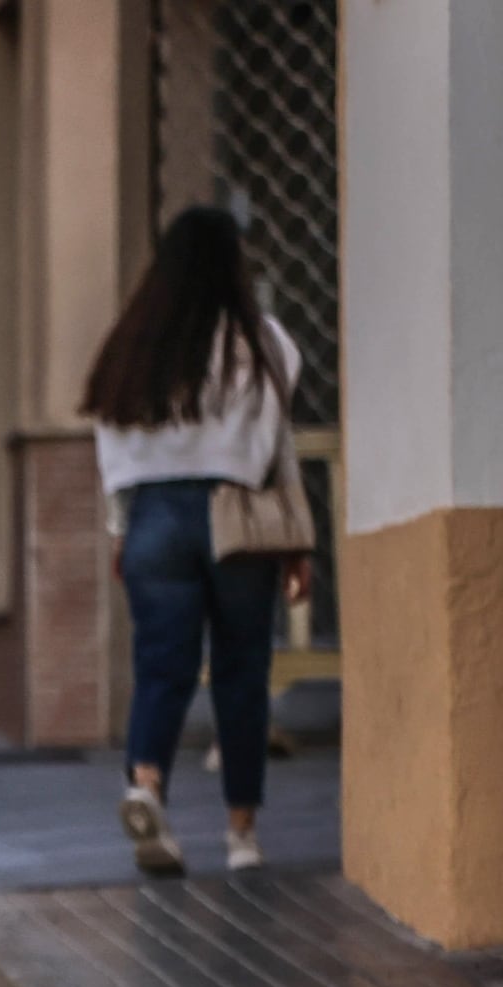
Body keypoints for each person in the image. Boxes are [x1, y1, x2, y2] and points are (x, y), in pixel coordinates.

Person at [83, 205, 311, 876]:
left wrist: (122, 529)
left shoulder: (134, 342)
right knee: (242, 674)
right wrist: (297, 542)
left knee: (162, 669)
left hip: (153, 513)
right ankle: (242, 835)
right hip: (236, 512)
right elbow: (278, 443)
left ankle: (146, 785)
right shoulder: (262, 339)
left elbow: (110, 439)